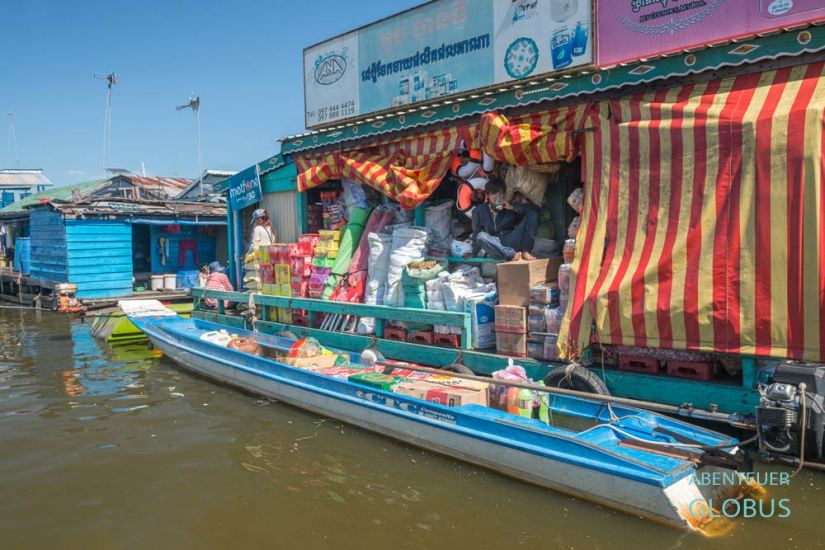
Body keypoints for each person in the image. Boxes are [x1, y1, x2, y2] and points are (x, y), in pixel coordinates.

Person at [469, 177, 539, 261]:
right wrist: (473, 253)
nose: (498, 196)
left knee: (533, 214)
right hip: (496, 245)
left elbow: (535, 210)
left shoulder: (508, 207)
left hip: (511, 239)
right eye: (494, 193)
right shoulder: (479, 211)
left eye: (501, 193)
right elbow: (476, 232)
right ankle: (511, 255)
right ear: (487, 195)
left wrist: (512, 207)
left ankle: (526, 251)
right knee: (480, 236)